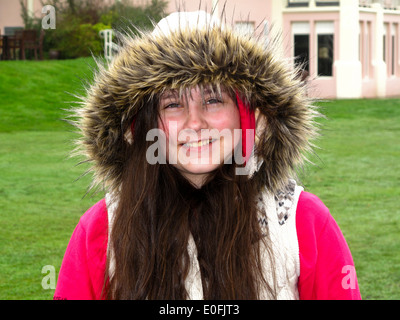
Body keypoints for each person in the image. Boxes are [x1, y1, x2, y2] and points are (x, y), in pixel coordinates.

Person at [54, 11, 361, 300]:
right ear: (143, 126)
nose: (195, 122)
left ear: (248, 117)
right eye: (172, 104)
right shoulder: (101, 229)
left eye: (213, 100)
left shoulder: (303, 222)